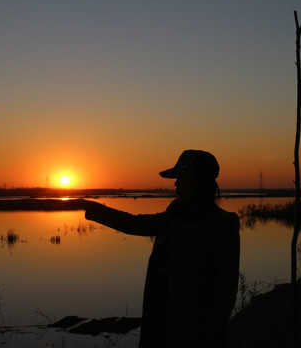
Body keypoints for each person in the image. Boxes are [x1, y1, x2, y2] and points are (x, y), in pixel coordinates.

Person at [74, 149, 240, 348]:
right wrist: (92, 208)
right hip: (160, 319)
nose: (175, 183)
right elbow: (133, 224)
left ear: (197, 180)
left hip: (193, 329)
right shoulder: (175, 215)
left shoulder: (223, 224)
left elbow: (225, 289)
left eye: (181, 177)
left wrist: (213, 337)